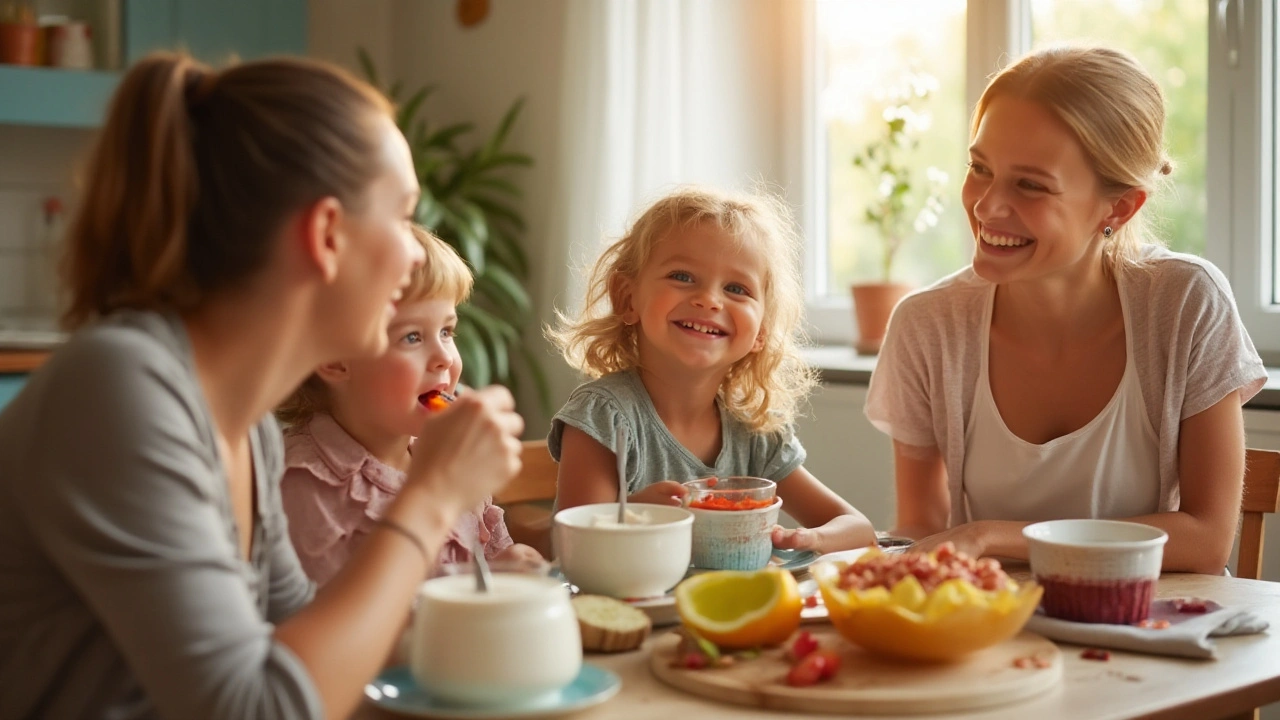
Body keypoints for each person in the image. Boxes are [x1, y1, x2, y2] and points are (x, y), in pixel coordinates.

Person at [0, 52, 524, 720]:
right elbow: (260, 709)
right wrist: (429, 498)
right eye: (400, 216)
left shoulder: (248, 429)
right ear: (327, 235)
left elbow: (299, 650)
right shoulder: (121, 390)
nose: (415, 251)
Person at [865, 46, 1268, 574]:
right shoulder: (927, 325)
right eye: (980, 168)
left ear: (1119, 207)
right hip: (997, 635)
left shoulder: (1186, 303)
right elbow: (920, 525)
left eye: (1029, 184)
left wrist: (991, 535)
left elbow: (1205, 539)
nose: (986, 206)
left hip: (1155, 628)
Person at [549, 186, 876, 554]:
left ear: (761, 331)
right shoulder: (604, 415)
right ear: (628, 298)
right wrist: (638, 517)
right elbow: (572, 547)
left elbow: (859, 530)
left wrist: (808, 538)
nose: (709, 299)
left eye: (737, 288)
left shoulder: (754, 431)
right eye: (682, 277)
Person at [277, 224, 542, 585]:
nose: (444, 359)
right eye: (412, 336)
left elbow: (482, 560)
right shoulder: (305, 485)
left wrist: (504, 565)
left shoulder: (449, 454)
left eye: (447, 332)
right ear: (337, 358)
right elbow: (340, 626)